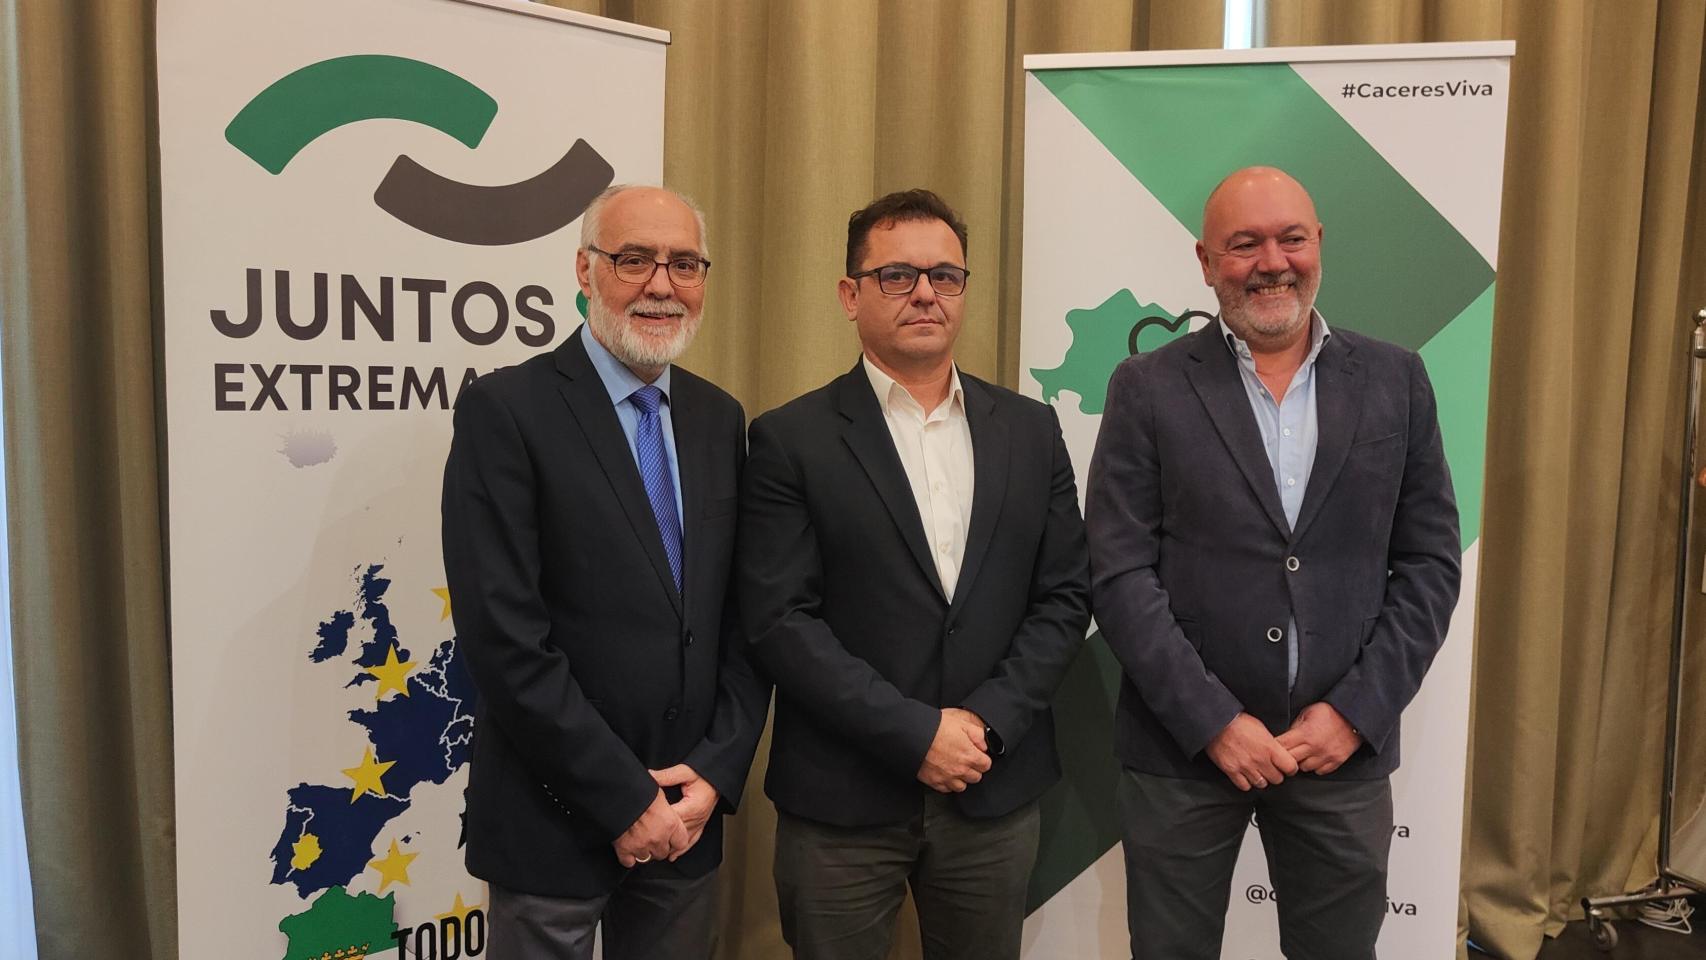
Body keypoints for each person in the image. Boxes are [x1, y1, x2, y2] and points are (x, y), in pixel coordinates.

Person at [1087, 166, 1462, 959]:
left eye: (1291, 238)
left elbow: (1428, 563)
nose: (1272, 261)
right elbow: (1119, 573)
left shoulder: (1397, 381)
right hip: (1182, 753)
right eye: (1243, 244)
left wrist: (1355, 714)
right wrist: (1215, 722)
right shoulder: (1146, 388)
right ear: (1204, 259)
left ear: (1318, 242)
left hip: (1339, 753)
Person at [738, 188, 1091, 960]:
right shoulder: (790, 439)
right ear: (850, 294)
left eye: (945, 275)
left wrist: (987, 723)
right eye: (897, 275)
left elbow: (1065, 594)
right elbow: (778, 621)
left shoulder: (1031, 431)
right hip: (841, 801)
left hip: (992, 790)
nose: (926, 293)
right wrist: (915, 733)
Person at [441, 184, 769, 960]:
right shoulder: (506, 412)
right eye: (634, 260)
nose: (662, 284)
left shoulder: (720, 418)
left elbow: (744, 619)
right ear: (584, 272)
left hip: (688, 821)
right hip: (551, 817)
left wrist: (713, 776)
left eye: (685, 263)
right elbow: (504, 640)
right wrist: (626, 800)